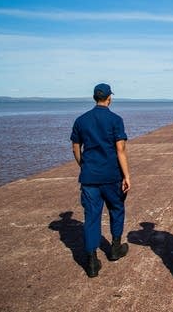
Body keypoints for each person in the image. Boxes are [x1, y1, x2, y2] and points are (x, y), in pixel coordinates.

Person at [70, 83, 131, 278]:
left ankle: (92, 261)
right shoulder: (115, 120)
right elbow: (120, 150)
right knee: (116, 209)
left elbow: (75, 148)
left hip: (89, 176)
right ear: (109, 98)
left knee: (91, 217)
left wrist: (84, 165)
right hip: (111, 175)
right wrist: (127, 176)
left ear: (94, 97)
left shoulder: (81, 120)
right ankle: (114, 248)